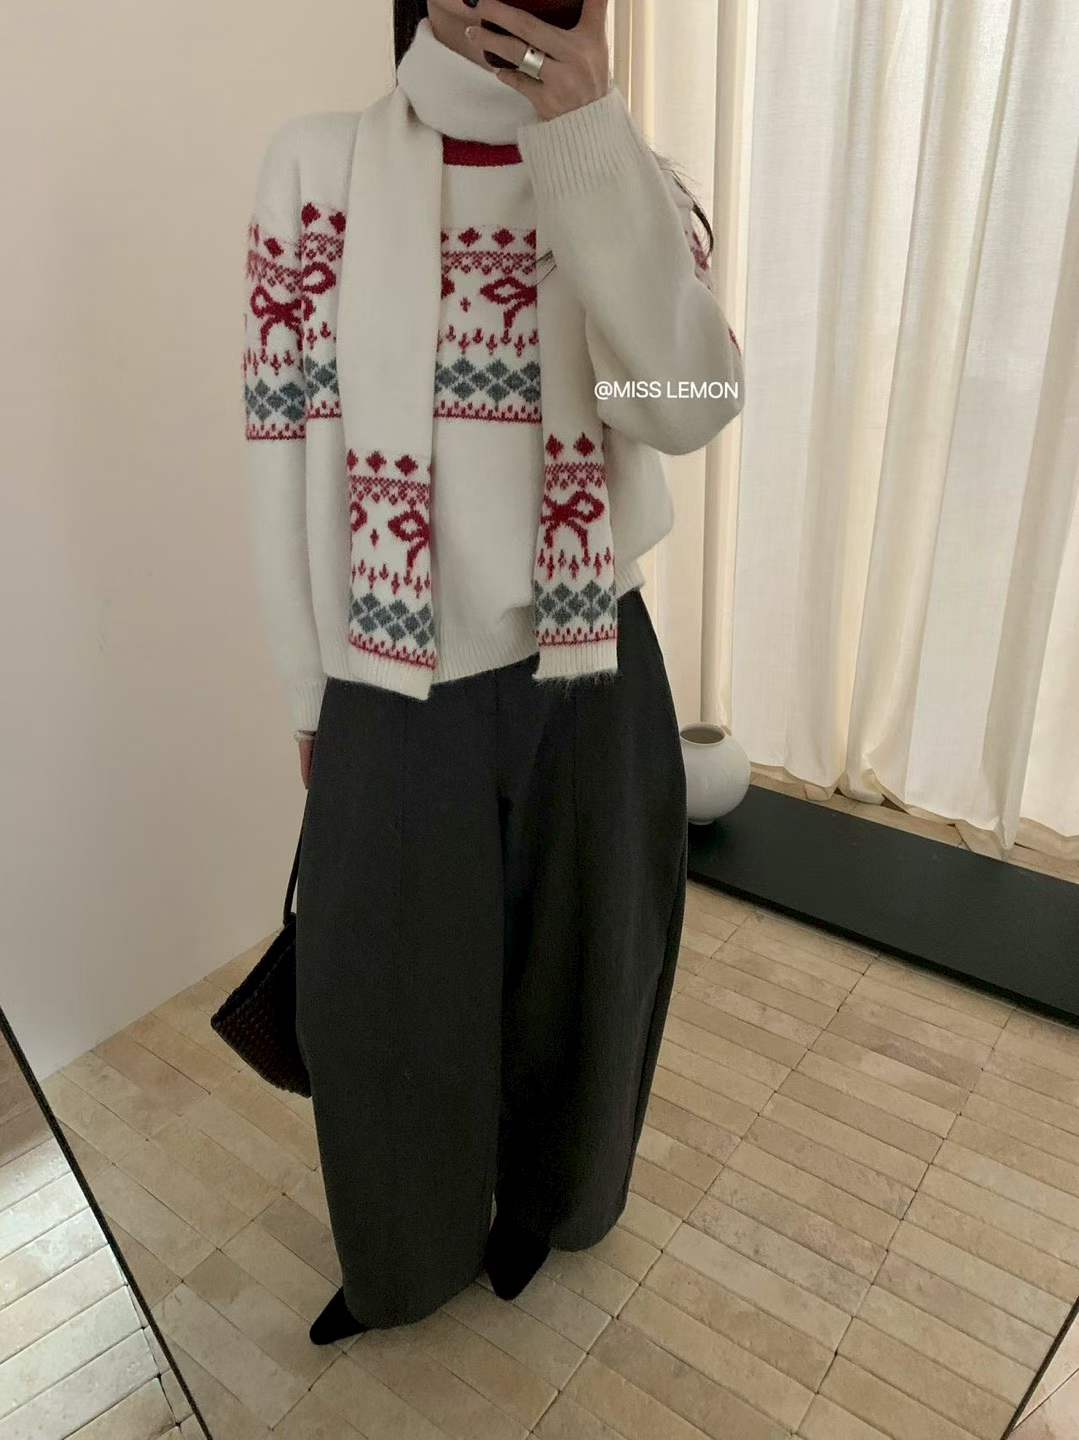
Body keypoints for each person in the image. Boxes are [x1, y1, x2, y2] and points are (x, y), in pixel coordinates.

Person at [242, 0, 744, 1345]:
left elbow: (686, 407)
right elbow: (277, 445)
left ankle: (550, 1209)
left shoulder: (634, 179)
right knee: (383, 1001)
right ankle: (404, 1261)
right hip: (386, 676)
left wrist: (588, 147)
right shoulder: (316, 168)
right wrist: (305, 688)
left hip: (592, 665)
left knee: (590, 977)